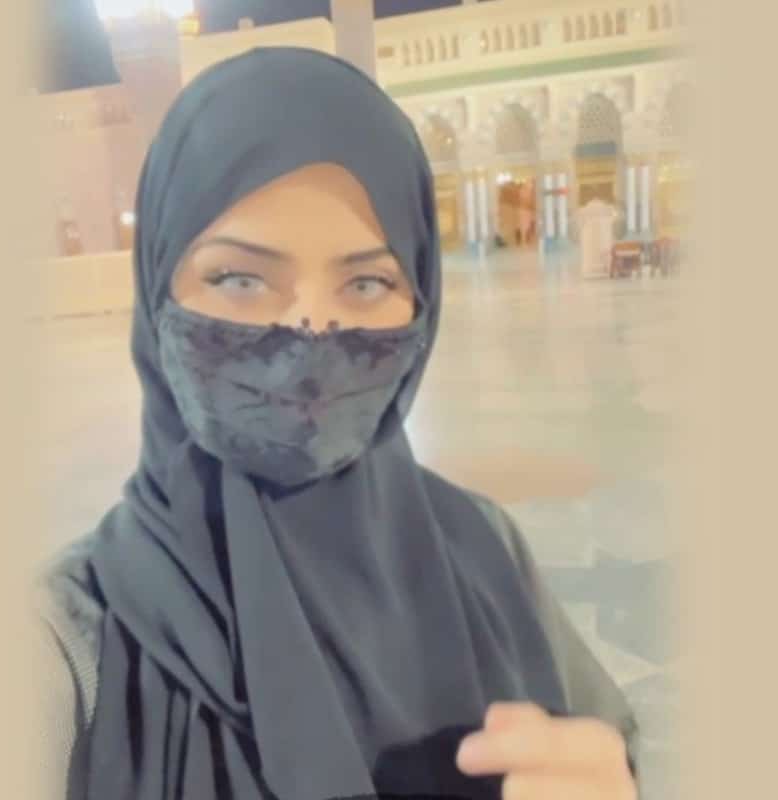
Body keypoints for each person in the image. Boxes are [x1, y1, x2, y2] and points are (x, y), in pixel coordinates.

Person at [35, 47, 640, 800]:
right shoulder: (69, 647)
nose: (309, 335)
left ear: (421, 297)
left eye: (366, 282)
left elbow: (598, 746)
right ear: (157, 285)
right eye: (239, 278)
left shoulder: (485, 552)